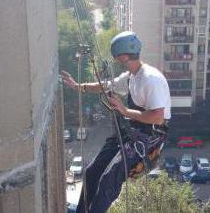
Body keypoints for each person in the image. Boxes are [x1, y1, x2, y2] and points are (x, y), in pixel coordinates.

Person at [61, 31, 171, 213]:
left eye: (117, 57)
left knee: (108, 181)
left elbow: (158, 117)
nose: (116, 61)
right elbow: (105, 85)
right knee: (91, 172)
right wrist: (78, 87)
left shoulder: (151, 79)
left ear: (124, 56)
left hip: (150, 137)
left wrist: (125, 110)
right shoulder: (131, 77)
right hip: (133, 131)